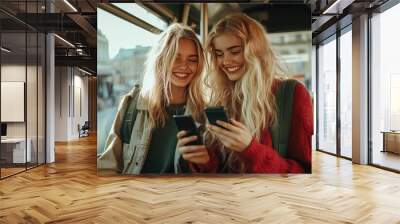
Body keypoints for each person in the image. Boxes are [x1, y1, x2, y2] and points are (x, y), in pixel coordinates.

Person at [177, 13, 313, 173]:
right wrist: (204, 161)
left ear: (255, 51)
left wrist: (250, 149)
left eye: (235, 52)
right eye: (219, 54)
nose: (225, 61)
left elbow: (305, 172)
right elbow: (222, 169)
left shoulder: (293, 94)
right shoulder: (221, 98)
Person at [98, 23, 210, 174]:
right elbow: (109, 165)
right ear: (160, 60)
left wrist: (204, 165)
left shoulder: (205, 114)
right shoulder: (131, 104)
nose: (184, 66)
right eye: (175, 58)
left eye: (192, 59)